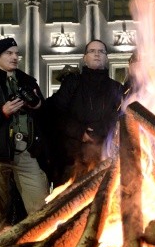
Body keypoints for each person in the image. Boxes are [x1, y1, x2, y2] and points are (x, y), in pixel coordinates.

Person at [0, 38, 49, 238]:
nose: (14, 57)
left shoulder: (28, 81)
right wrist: (1, 112)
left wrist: (37, 105)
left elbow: (46, 112)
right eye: (9, 53)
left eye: (16, 53)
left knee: (41, 207)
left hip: (26, 151)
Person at [48, 39, 124, 187]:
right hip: (72, 157)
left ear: (106, 58)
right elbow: (56, 113)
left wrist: (99, 131)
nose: (97, 54)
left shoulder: (116, 88)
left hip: (104, 153)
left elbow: (118, 116)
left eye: (101, 51)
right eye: (92, 51)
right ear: (85, 58)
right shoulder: (72, 84)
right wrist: (80, 132)